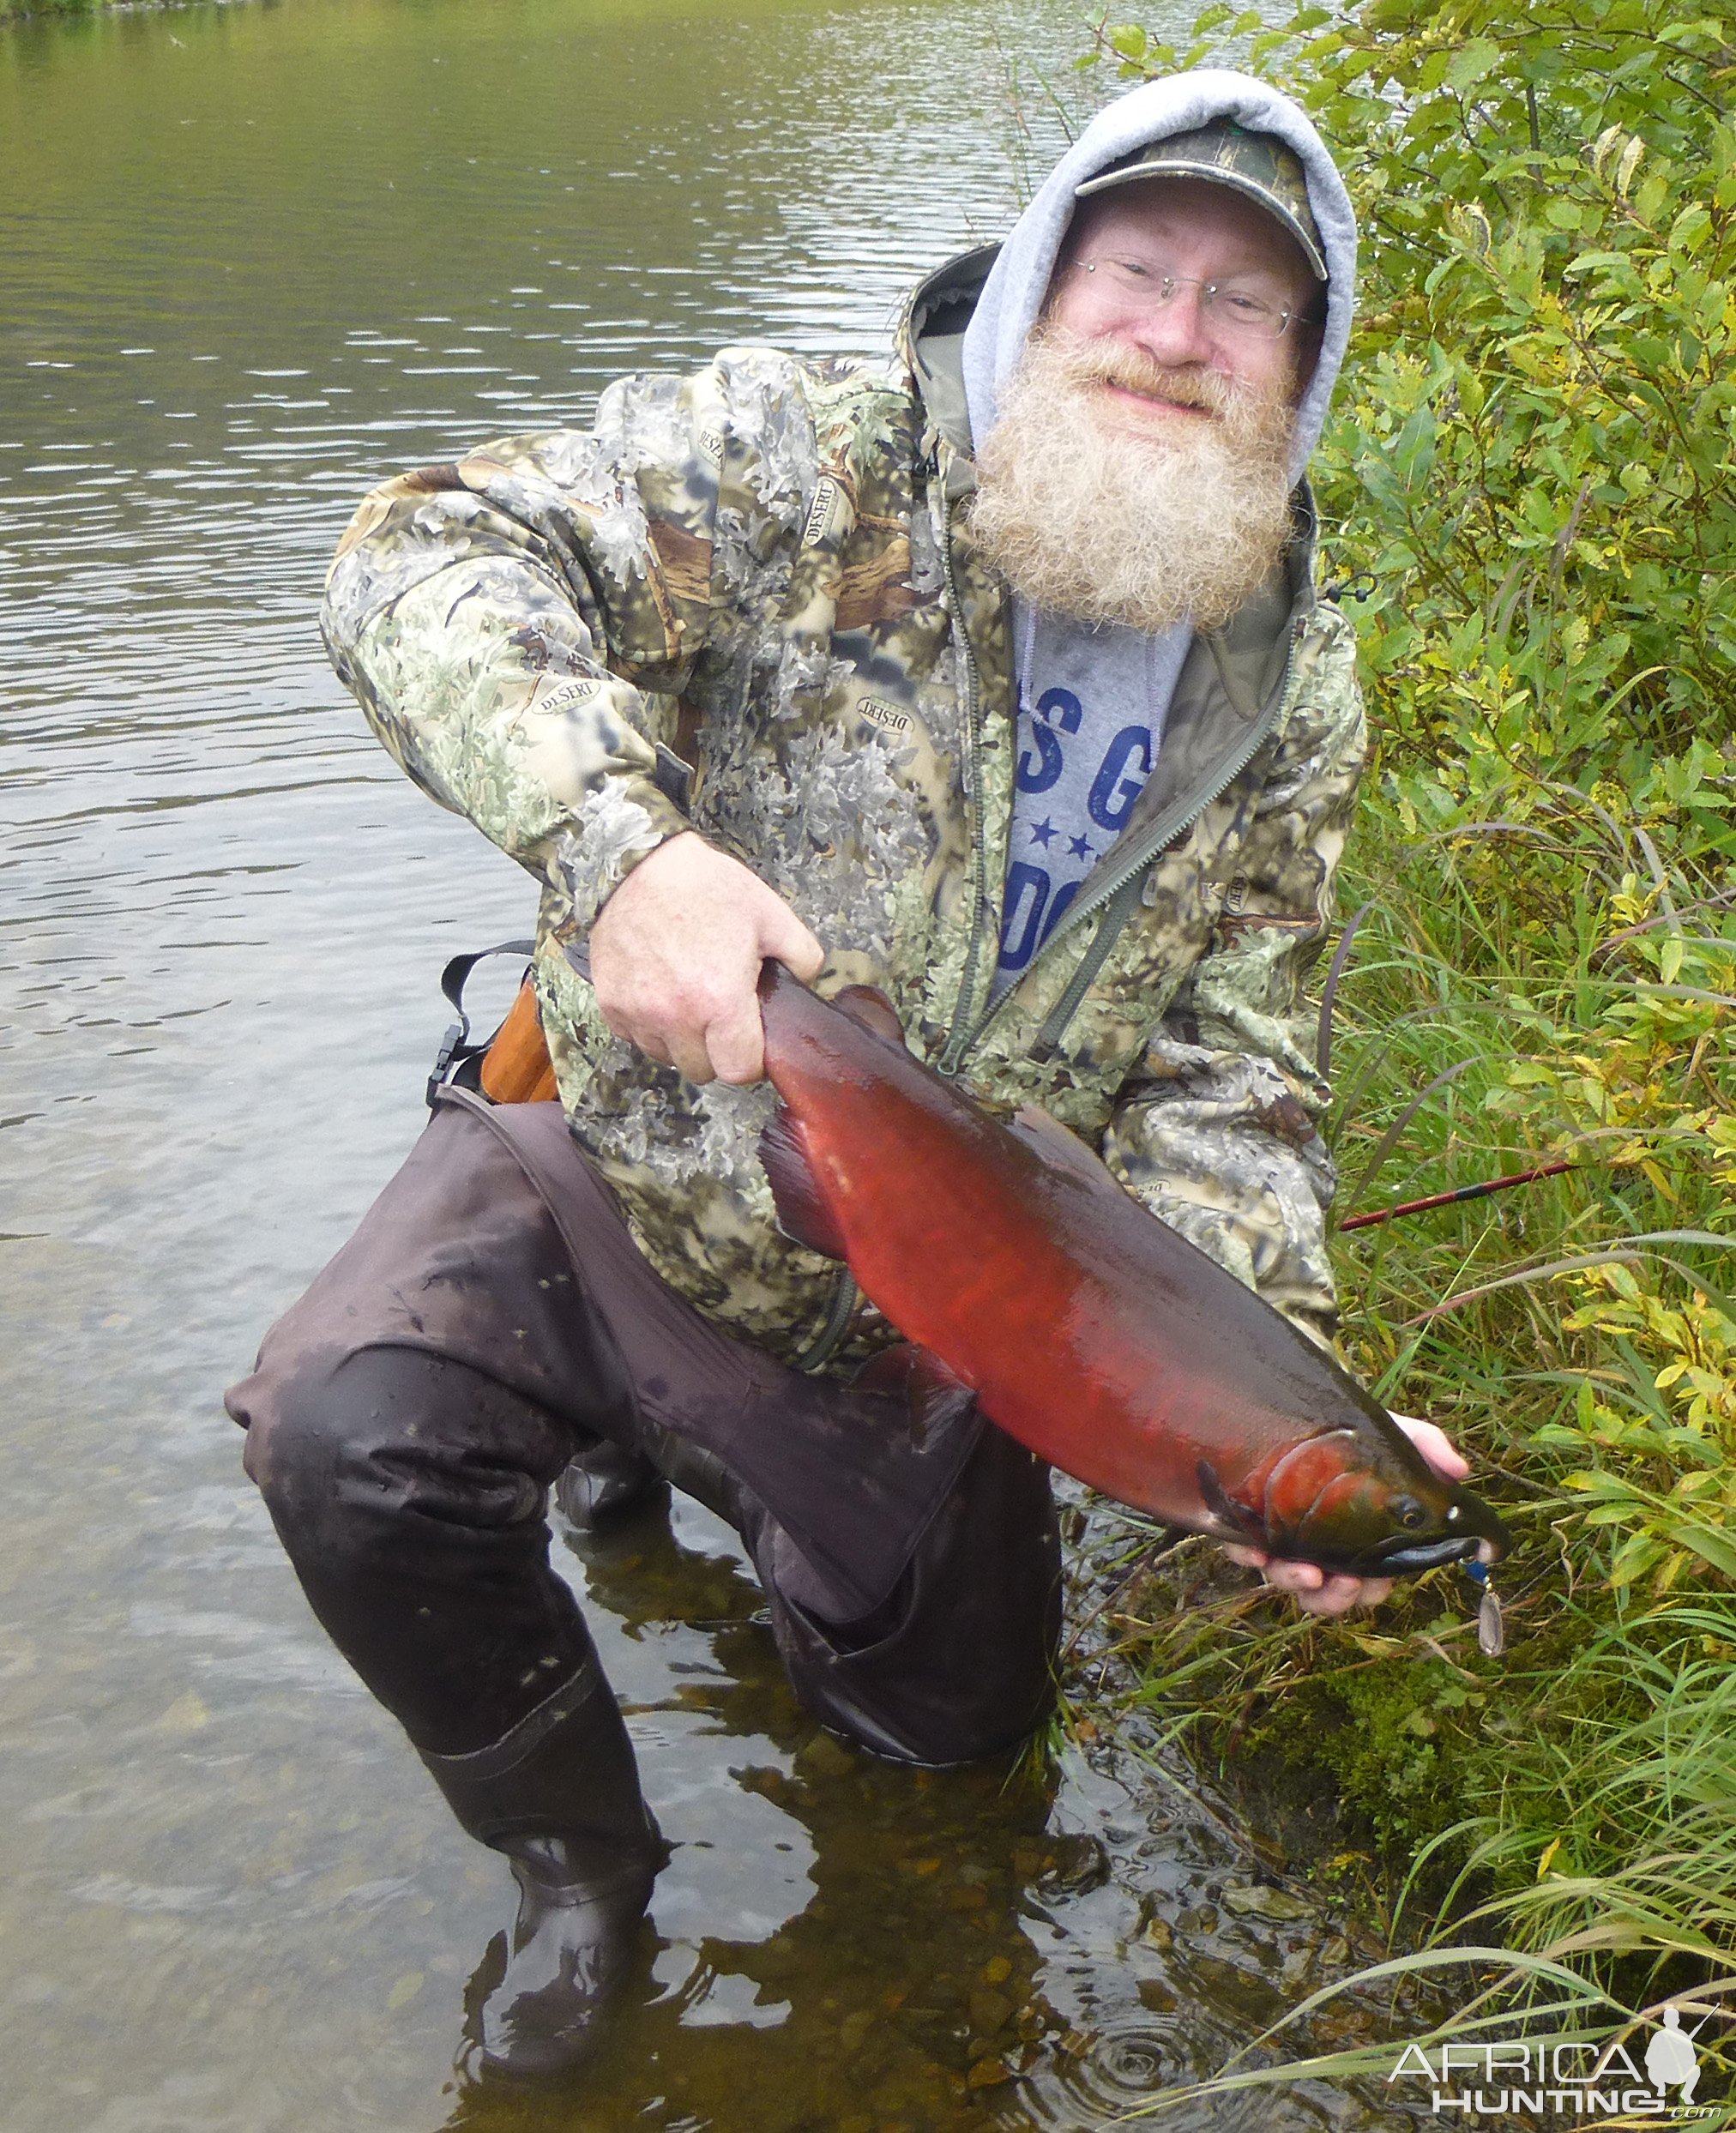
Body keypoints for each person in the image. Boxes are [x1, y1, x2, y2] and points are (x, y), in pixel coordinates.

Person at [227, 67, 1469, 2080]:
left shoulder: (1289, 683)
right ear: (1041, 285)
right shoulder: (802, 458)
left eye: (1244, 307)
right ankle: (576, 1864)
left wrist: (1274, 1409)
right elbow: (413, 554)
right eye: (1134, 268)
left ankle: (839, 1831)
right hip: (618, 1178)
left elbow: (1231, 1079)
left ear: (1300, 375)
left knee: (951, 1751)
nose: (1173, 334)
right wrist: (618, 848)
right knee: (343, 1434)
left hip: (948, 1311)